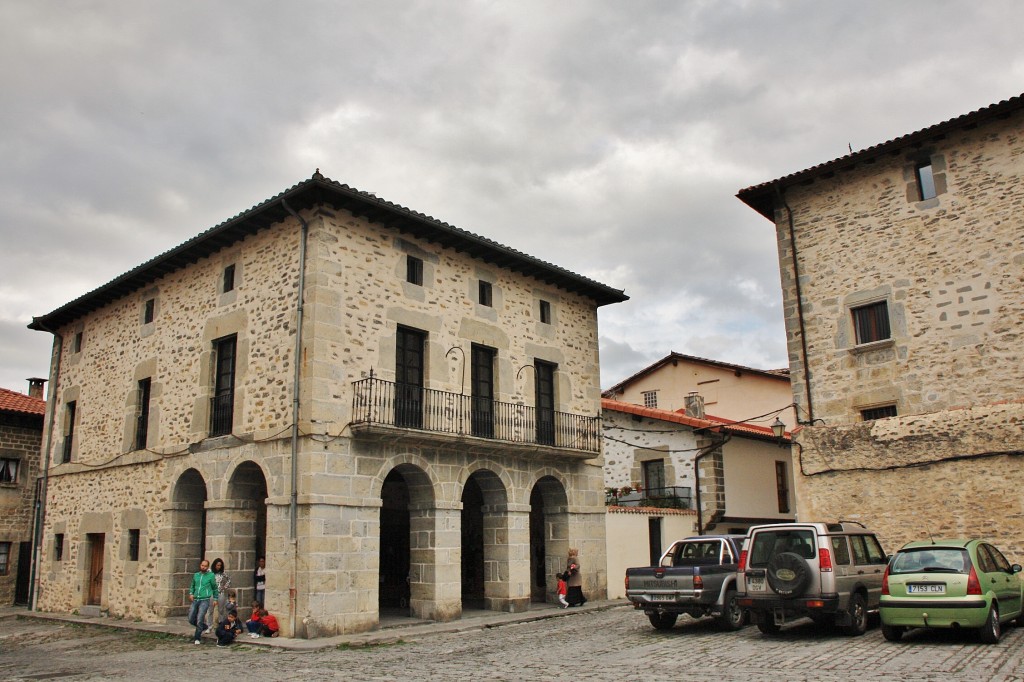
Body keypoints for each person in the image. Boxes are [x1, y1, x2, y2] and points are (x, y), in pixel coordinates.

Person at [187, 559, 218, 645]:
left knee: (200, 618)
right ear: (200, 565)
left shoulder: (211, 576)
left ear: (208, 567)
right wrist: (191, 593)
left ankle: (197, 637)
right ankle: (203, 627)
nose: (203, 567)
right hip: (196, 599)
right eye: (202, 565)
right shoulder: (196, 575)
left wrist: (215, 598)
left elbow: (214, 587)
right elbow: (193, 585)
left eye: (205, 566)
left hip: (205, 599)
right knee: (191, 618)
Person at [206, 558, 232, 629]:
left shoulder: (222, 573)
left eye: (220, 565)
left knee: (221, 610)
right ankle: (209, 626)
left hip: (220, 592)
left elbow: (229, 580)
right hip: (211, 593)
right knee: (210, 610)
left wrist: (224, 587)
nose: (219, 567)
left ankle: (221, 624)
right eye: (217, 565)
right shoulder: (209, 572)